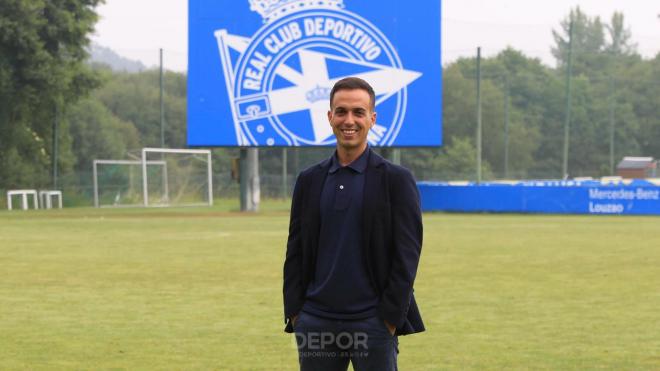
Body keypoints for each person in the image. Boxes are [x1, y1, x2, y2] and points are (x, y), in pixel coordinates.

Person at [282, 76, 424, 371]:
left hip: (372, 322)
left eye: (358, 112)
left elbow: (407, 255)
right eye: (342, 111)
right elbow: (295, 250)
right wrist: (297, 313)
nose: (350, 120)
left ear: (372, 119)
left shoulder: (395, 180)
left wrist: (388, 318)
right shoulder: (309, 180)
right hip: (317, 322)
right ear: (330, 117)